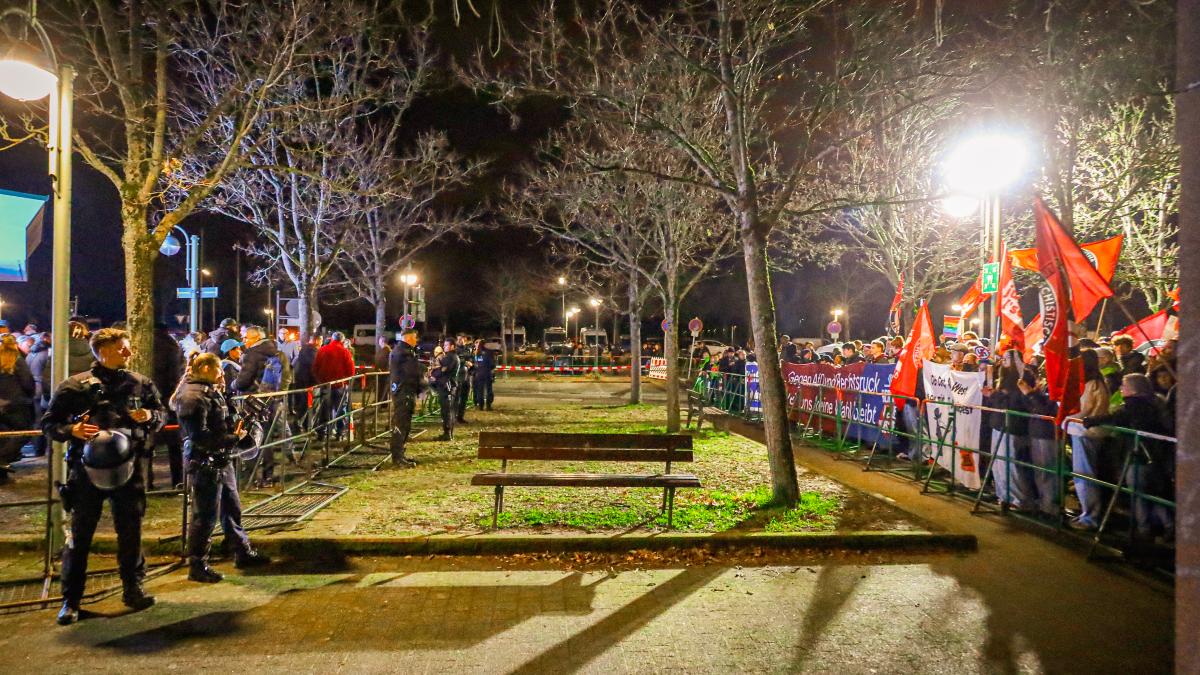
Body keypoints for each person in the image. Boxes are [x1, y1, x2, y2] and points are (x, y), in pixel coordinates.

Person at [42, 328, 164, 625]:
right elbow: (49, 423)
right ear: (103, 351)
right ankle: (70, 601)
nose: (128, 353)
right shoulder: (74, 387)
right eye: (122, 348)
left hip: (129, 469)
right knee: (80, 538)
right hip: (86, 473)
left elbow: (162, 414)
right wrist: (71, 430)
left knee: (131, 534)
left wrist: (150, 417)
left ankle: (133, 589)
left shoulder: (140, 383)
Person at [173, 352, 270, 583]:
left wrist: (236, 428)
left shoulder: (208, 391)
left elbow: (220, 421)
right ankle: (197, 564)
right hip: (205, 461)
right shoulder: (192, 397)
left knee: (231, 507)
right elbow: (200, 436)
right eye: (218, 370)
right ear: (206, 368)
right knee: (205, 516)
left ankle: (241, 551)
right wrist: (233, 439)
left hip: (220, 459)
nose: (221, 375)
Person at [1083, 373, 1173, 540]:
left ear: (1133, 389)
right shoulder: (1157, 402)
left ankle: (1143, 529)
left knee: (1138, 493)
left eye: (1124, 386)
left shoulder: (1134, 406)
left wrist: (1091, 420)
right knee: (1155, 493)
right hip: (1156, 455)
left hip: (1139, 454)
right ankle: (1168, 525)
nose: (1121, 388)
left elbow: (1116, 417)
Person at [233, 325, 293, 482]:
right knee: (267, 437)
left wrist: (233, 384)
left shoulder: (252, 353)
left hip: (253, 401)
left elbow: (243, 381)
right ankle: (267, 473)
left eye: (246, 338)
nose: (244, 341)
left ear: (255, 338)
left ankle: (250, 474)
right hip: (271, 399)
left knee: (253, 435)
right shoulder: (275, 350)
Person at [1064, 349, 1110, 531]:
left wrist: (1064, 416)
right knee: (1084, 474)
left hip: (1085, 433)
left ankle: (1090, 517)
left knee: (1084, 475)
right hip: (1085, 432)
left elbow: (1084, 409)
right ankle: (1088, 513)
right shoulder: (1097, 382)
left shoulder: (1092, 384)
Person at [151, 323, 185, 490]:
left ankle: (148, 481)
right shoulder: (172, 345)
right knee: (174, 442)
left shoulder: (144, 342)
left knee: (148, 440)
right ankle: (177, 481)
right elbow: (177, 373)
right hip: (168, 397)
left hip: (149, 398)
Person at [0, 334, 35, 481]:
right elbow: (28, 383)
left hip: (1, 406)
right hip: (17, 405)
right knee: (25, 433)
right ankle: (2, 459)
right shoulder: (18, 361)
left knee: (3, 437)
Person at [388, 329, 422, 466]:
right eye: (414, 338)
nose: (416, 340)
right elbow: (413, 373)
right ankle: (398, 457)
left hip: (402, 391)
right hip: (405, 392)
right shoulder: (405, 353)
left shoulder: (399, 351)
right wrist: (423, 384)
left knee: (403, 424)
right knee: (401, 424)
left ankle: (400, 454)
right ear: (408, 338)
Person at [313, 332, 356, 439]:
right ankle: (340, 433)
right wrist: (345, 382)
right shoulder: (345, 352)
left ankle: (322, 432)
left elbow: (315, 368)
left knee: (324, 409)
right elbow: (351, 371)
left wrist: (320, 381)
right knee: (340, 409)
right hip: (340, 386)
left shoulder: (322, 350)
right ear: (342, 340)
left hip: (325, 385)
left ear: (332, 339)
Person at [25, 332, 51, 458]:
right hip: (42, 389)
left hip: (32, 389)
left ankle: (37, 448)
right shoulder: (46, 354)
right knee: (43, 420)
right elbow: (47, 374)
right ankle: (40, 449)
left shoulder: (31, 353)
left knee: (36, 420)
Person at [430, 339, 460, 440]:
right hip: (448, 386)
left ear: (452, 346)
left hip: (447, 387)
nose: (444, 347)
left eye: (446, 345)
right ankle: (448, 433)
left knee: (446, 411)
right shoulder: (452, 356)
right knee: (448, 410)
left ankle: (447, 434)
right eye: (444, 345)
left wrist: (434, 375)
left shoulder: (450, 357)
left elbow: (442, 370)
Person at [291, 334, 322, 430]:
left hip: (304, 381)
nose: (321, 343)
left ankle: (304, 424)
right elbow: (314, 368)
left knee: (307, 403)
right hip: (311, 382)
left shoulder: (305, 350)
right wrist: (318, 380)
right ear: (316, 341)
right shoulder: (312, 352)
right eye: (321, 341)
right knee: (310, 404)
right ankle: (302, 424)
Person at [472, 339, 495, 410]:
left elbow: (476, 363)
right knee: (489, 390)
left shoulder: (477, 353)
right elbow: (492, 364)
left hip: (479, 373)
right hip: (487, 373)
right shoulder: (489, 352)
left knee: (480, 390)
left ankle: (481, 406)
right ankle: (488, 405)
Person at [454, 336, 471, 423]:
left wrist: (473, 365)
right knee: (456, 398)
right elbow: (455, 360)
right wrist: (465, 362)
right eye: (459, 339)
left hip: (467, 376)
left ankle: (460, 417)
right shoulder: (455, 350)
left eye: (463, 340)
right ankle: (454, 416)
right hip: (458, 377)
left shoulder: (468, 350)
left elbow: (472, 360)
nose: (461, 341)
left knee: (464, 398)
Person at [373, 336, 392, 400]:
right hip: (380, 372)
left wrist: (385, 370)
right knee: (380, 388)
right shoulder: (382, 350)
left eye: (380, 340)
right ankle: (380, 401)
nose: (379, 342)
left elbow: (388, 362)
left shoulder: (387, 350)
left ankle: (382, 403)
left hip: (384, 373)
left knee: (382, 388)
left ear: (382, 341)